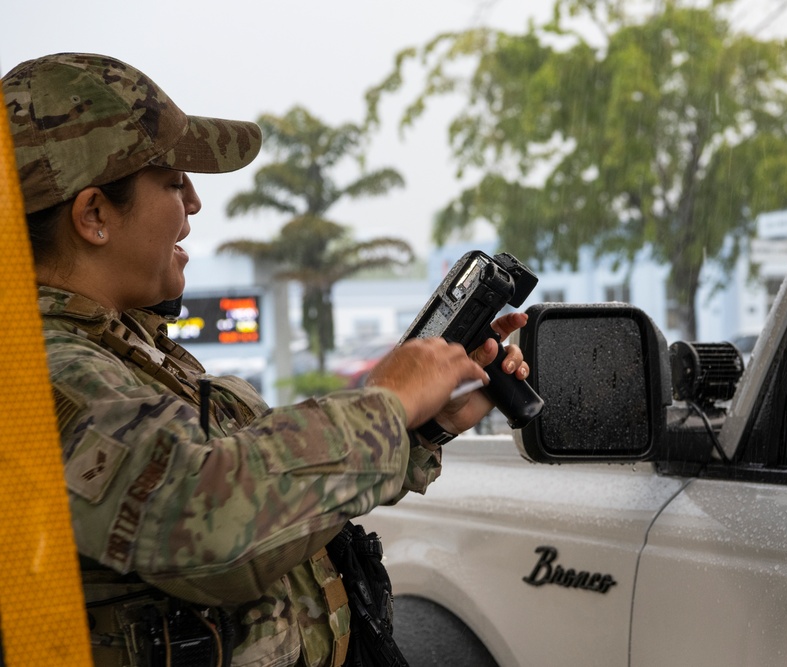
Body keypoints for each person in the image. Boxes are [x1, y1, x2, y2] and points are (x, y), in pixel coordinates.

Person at [2, 52, 530, 667]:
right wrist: (383, 404)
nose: (194, 203)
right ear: (93, 215)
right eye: (174, 182)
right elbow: (210, 526)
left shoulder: (122, 349)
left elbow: (266, 491)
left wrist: (419, 424)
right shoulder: (36, 376)